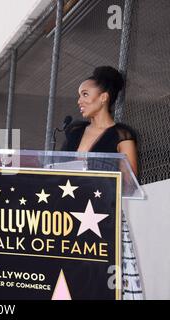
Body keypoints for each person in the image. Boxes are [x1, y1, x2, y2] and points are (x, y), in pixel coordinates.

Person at [61, 65, 143, 299]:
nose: (79, 100)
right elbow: (55, 169)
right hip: (66, 218)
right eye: (80, 95)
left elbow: (130, 183)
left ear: (104, 97)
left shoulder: (122, 136)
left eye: (85, 94)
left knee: (102, 285)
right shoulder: (75, 130)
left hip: (102, 220)